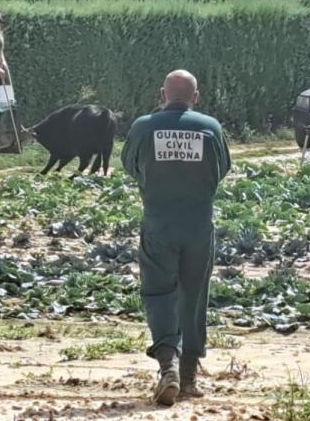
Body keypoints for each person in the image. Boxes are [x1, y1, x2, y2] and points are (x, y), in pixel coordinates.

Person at [120, 70, 231, 406]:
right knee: (193, 296)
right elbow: (222, 169)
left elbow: (129, 165)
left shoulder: (143, 126)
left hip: (159, 224)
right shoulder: (210, 127)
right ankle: (189, 376)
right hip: (198, 225)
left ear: (161, 94)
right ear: (195, 97)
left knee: (158, 294)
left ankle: (167, 364)